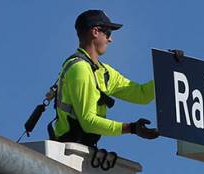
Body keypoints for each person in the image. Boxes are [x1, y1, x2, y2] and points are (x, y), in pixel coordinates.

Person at [49, 9, 159, 146]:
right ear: (95, 32)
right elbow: (88, 122)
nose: (110, 39)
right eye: (108, 33)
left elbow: (142, 95)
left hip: (82, 150)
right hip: (66, 149)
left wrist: (168, 73)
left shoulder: (104, 72)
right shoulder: (80, 69)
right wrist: (130, 128)